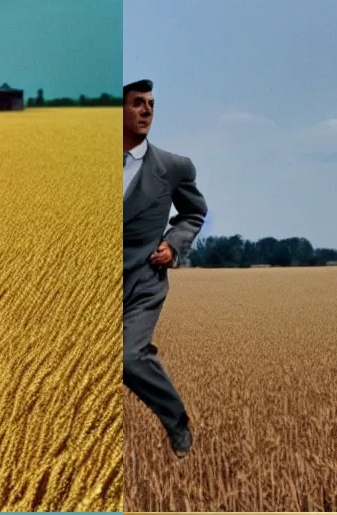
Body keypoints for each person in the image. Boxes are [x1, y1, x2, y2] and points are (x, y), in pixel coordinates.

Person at [123, 80, 207, 459]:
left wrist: (172, 245)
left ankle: (177, 422)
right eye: (137, 103)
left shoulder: (173, 167)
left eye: (151, 104)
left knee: (128, 357)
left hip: (143, 281)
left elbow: (193, 212)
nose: (147, 111)